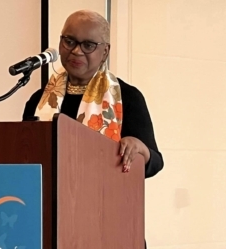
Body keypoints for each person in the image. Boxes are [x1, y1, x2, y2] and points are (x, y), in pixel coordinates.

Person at [22, 9, 163, 248]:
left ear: (105, 51)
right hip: (49, 224)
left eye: (88, 45)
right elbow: (24, 159)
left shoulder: (126, 97)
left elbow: (155, 162)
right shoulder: (39, 100)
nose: (77, 51)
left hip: (110, 223)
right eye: (69, 41)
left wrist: (140, 149)